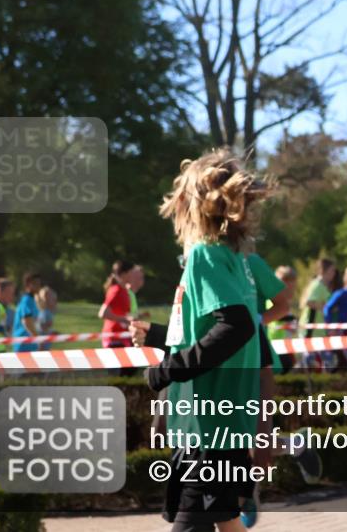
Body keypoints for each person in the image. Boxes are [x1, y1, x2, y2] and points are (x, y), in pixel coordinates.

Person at [129, 148, 270, 532]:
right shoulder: (236, 258)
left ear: (190, 206)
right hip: (223, 423)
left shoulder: (205, 255)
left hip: (208, 426)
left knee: (193, 526)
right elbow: (216, 329)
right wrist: (159, 335)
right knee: (225, 521)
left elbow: (236, 327)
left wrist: (167, 370)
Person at [240, 250, 293, 529]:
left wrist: (258, 320)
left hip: (256, 358)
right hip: (214, 358)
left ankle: (249, 491)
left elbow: (284, 303)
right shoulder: (197, 257)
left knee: (259, 437)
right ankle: (296, 446)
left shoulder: (251, 261)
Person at [299, 258, 336, 370]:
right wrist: (326, 307)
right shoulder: (317, 285)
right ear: (323, 271)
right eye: (331, 271)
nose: (334, 274)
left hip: (319, 328)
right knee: (310, 359)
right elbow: (309, 302)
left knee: (326, 359)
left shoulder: (323, 286)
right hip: (310, 327)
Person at [266, 265, 297, 372]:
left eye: (291, 282)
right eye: (284, 281)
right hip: (274, 348)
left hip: (287, 347)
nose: (288, 285)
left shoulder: (288, 302)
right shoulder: (271, 301)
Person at [99, 261, 136, 348]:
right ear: (124, 274)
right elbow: (103, 313)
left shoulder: (124, 291)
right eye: (132, 273)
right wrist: (125, 319)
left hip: (123, 337)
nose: (134, 277)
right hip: (113, 339)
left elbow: (121, 312)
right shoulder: (116, 290)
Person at [12, 272, 43, 353]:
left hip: (30, 344)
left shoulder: (32, 300)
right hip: (24, 344)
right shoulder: (26, 300)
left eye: (40, 284)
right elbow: (26, 321)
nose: (39, 287)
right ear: (28, 285)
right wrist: (38, 340)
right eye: (36, 284)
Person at [36, 286, 58, 350]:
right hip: (42, 345)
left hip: (45, 344)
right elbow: (41, 327)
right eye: (53, 299)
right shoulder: (45, 313)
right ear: (45, 300)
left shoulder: (47, 312)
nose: (56, 302)